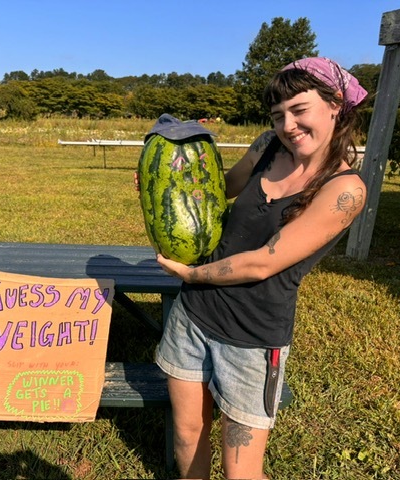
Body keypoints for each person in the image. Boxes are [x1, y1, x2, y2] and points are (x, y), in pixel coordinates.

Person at [153, 57, 368, 479]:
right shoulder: (267, 146)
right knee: (187, 432)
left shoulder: (345, 190)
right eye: (277, 114)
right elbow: (218, 190)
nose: (287, 125)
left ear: (335, 105)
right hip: (194, 317)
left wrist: (192, 274)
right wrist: (166, 179)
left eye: (299, 109)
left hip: (251, 339)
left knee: (241, 471)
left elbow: (262, 263)